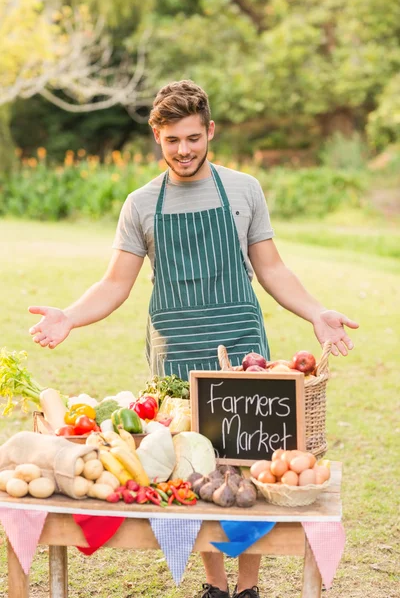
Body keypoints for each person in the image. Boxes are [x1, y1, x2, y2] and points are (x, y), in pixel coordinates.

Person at [28, 80, 359, 598]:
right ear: (156, 137)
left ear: (209, 131)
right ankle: (215, 585)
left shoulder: (244, 189)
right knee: (190, 464)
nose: (182, 150)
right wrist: (69, 316)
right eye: (170, 140)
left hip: (240, 344)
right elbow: (117, 282)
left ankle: (247, 586)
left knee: (250, 462)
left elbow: (270, 267)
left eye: (192, 138)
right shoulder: (140, 204)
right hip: (176, 350)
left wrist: (317, 313)